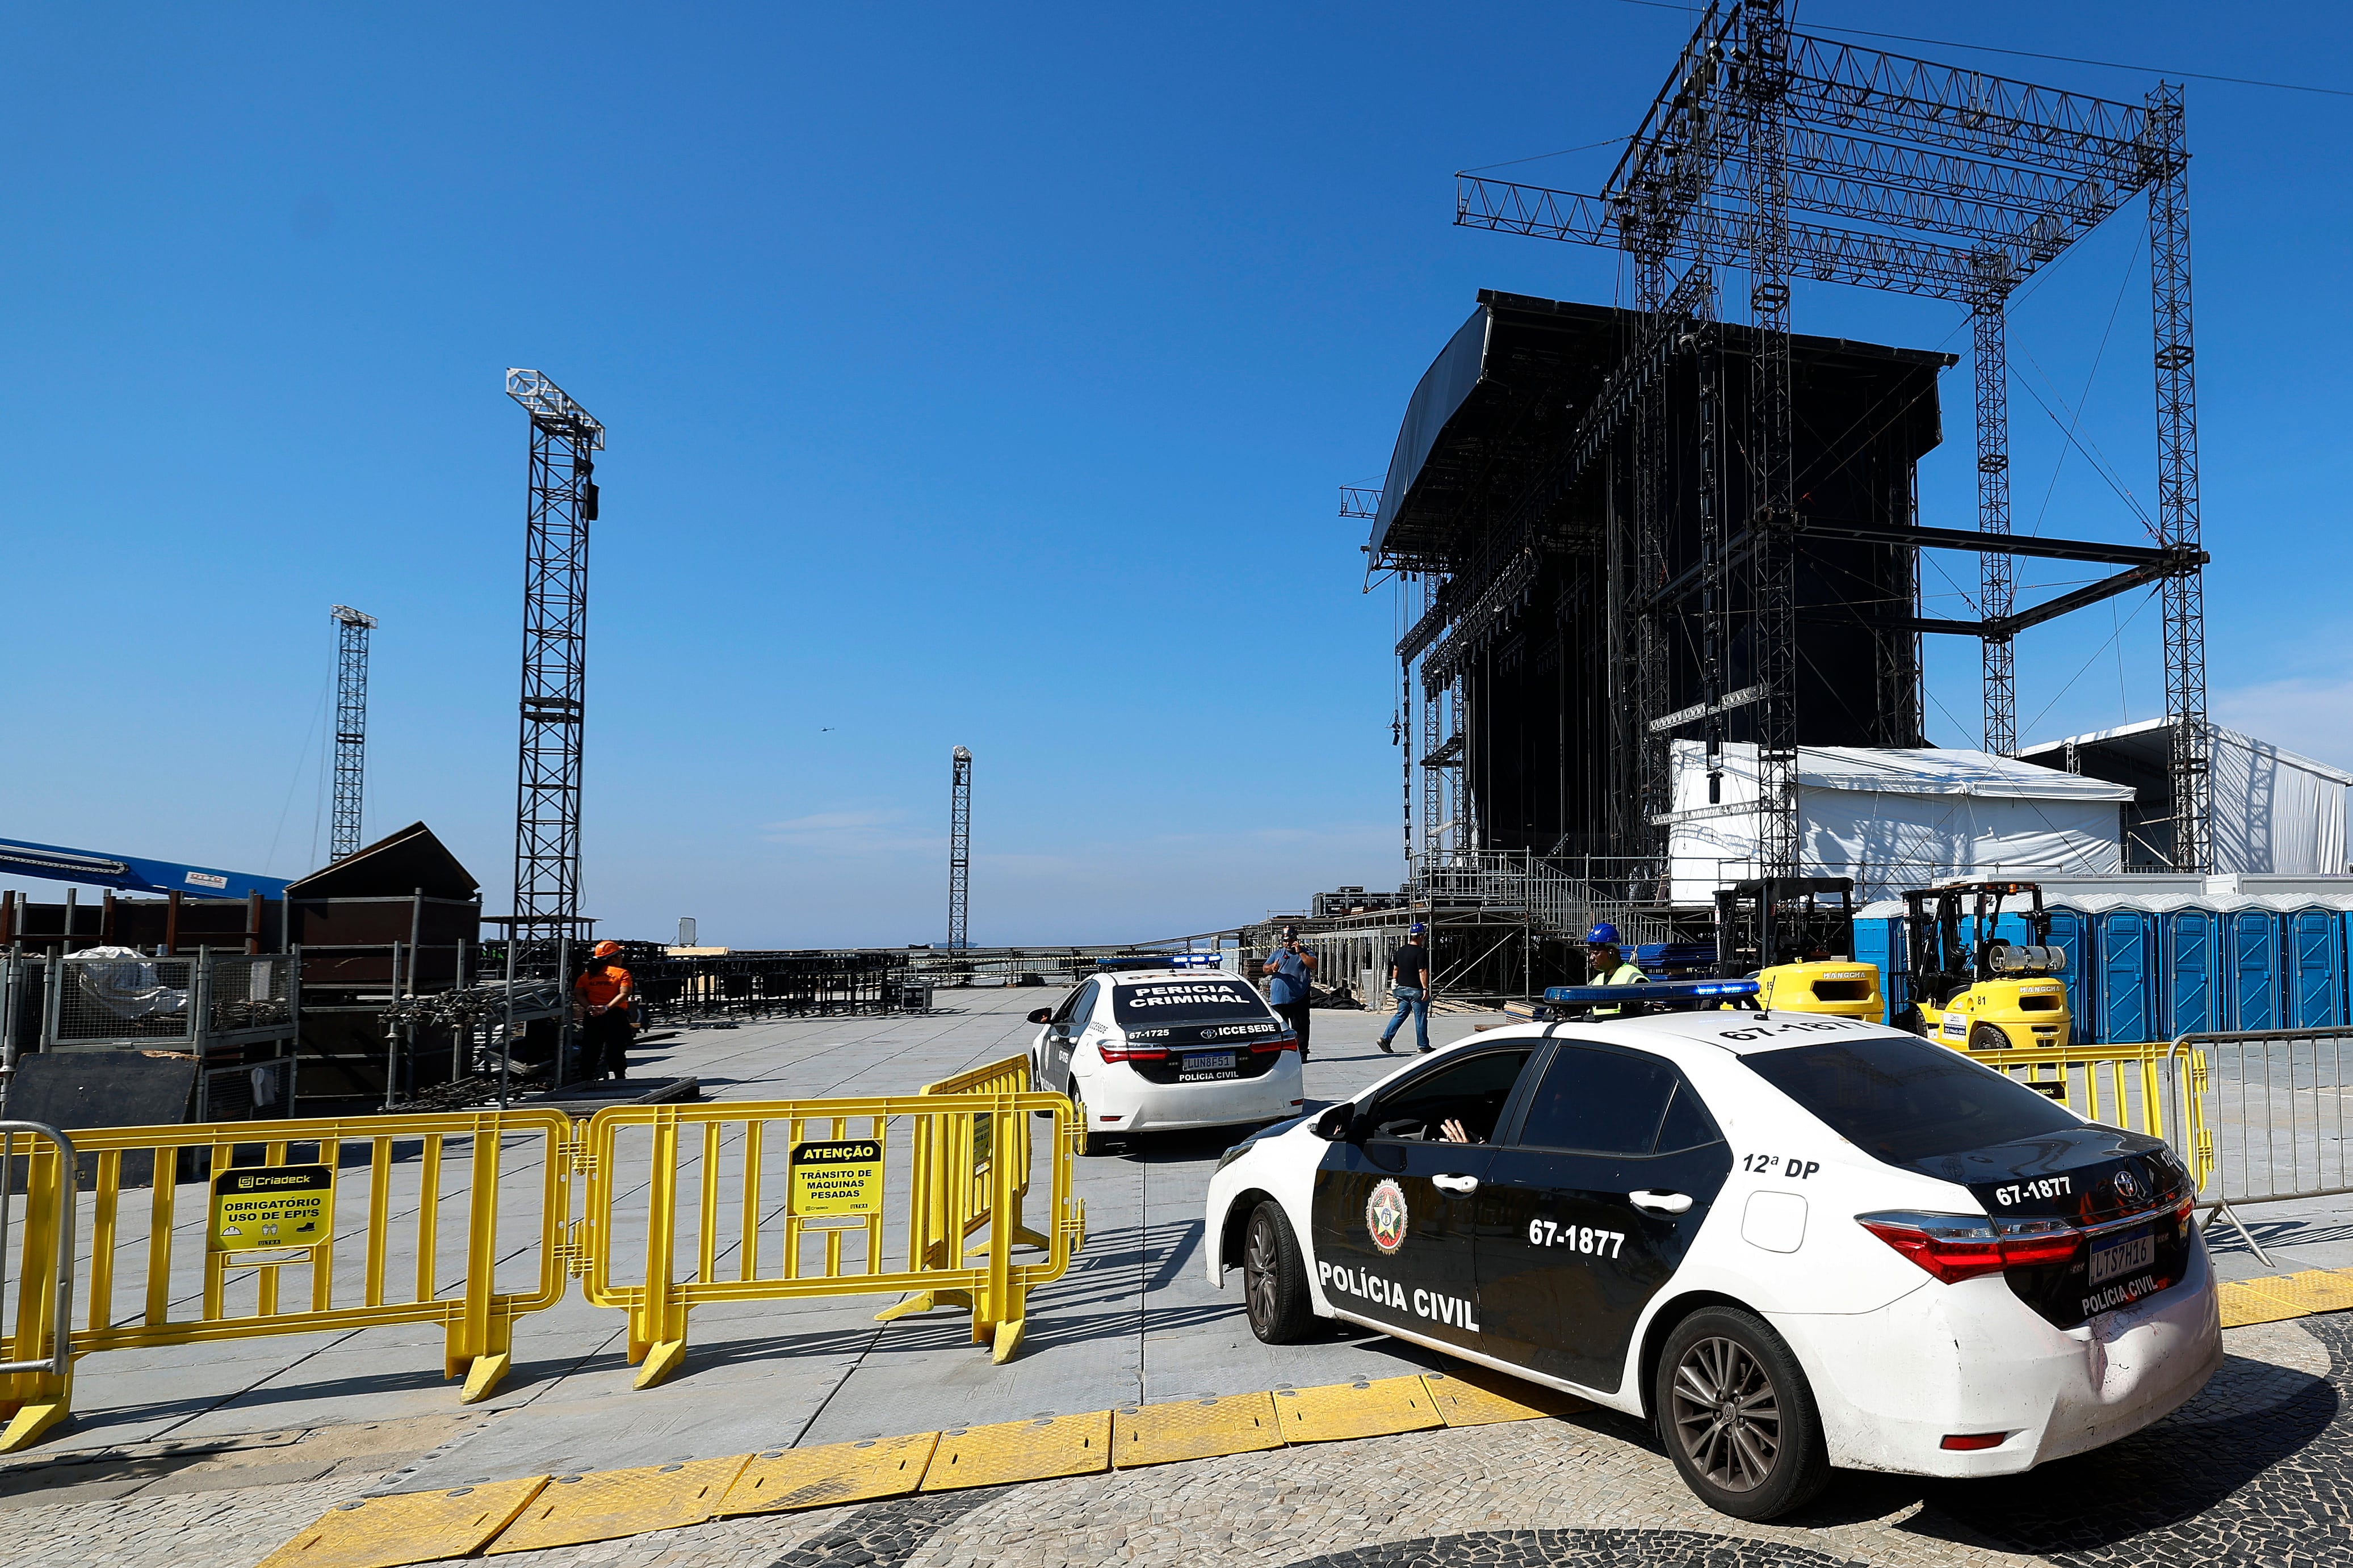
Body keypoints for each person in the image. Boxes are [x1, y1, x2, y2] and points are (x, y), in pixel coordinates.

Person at [574, 940, 637, 1081]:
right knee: (616, 1048)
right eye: (620, 955)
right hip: (615, 1015)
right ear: (613, 958)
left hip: (593, 1016)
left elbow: (578, 994)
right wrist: (606, 1008)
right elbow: (624, 993)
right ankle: (619, 1078)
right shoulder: (622, 974)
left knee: (591, 1049)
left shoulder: (587, 975)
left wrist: (589, 1007)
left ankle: (587, 1079)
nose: (622, 958)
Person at [1263, 924, 1318, 1062]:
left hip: (1299, 997)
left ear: (1295, 939)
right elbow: (1265, 969)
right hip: (1279, 998)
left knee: (1301, 1027)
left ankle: (1302, 1054)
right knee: (1280, 1029)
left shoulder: (1306, 952)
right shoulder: (1277, 954)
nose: (1287, 943)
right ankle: (1280, 1055)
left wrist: (1300, 952)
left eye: (1290, 940)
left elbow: (1313, 965)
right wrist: (1272, 968)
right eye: (1285, 941)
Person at [1377, 922, 1433, 1054]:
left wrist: (1394, 983)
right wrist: (1425, 989)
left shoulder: (1400, 951)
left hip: (1402, 989)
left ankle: (1385, 1039)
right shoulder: (1421, 952)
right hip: (1416, 991)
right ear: (1420, 937)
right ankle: (1423, 1045)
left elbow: (1396, 969)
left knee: (1401, 1015)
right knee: (1420, 1017)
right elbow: (1422, 971)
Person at [1584, 922, 1647, 1019]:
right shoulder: (1596, 981)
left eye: (1596, 954)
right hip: (1597, 1029)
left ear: (1611, 953)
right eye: (1591, 954)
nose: (1591, 958)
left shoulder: (1634, 978)